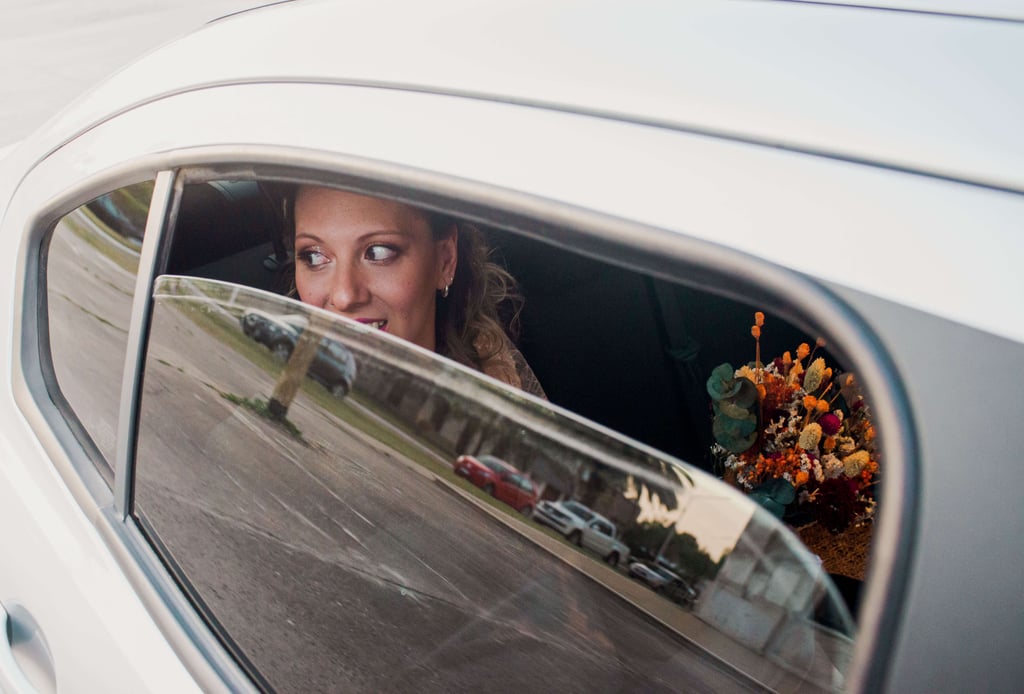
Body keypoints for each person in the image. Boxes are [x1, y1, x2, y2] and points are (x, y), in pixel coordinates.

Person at [281, 185, 545, 398]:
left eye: (378, 252)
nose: (344, 295)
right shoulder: (272, 374)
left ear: (444, 260)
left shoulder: (497, 396)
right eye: (314, 256)